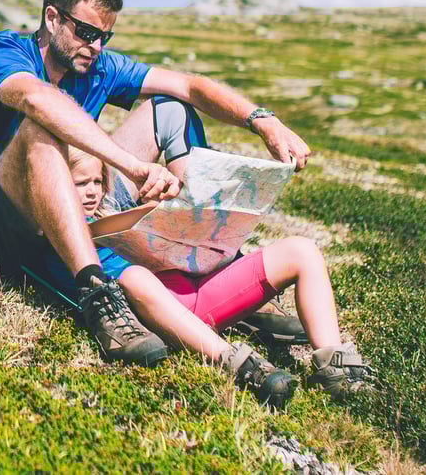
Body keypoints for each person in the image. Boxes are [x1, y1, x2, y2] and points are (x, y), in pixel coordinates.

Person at [0, 0, 310, 383]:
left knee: (170, 107)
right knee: (40, 126)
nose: (94, 46)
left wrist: (262, 120)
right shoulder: (7, 51)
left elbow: (189, 86)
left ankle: (204, 263)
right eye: (87, 31)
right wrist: (131, 167)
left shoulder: (97, 66)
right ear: (52, 18)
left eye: (104, 36)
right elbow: (36, 99)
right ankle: (98, 295)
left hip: (57, 209)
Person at [69, 144, 373, 402]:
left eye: (98, 181)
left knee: (302, 250)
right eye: (81, 183)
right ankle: (236, 362)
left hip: (200, 287)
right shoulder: (67, 233)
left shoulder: (111, 209)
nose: (92, 191)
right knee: (134, 277)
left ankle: (336, 368)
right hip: (166, 311)